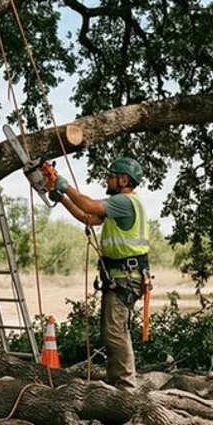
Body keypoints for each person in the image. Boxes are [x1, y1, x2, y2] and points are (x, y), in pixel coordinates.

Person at [33, 157, 153, 387]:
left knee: (115, 332)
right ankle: (117, 382)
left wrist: (64, 185)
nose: (106, 179)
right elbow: (88, 217)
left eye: (111, 176)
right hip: (119, 277)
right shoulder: (119, 205)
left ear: (124, 179)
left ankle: (125, 387)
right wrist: (62, 198)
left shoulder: (125, 202)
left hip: (125, 278)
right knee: (112, 332)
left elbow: (88, 205)